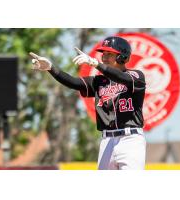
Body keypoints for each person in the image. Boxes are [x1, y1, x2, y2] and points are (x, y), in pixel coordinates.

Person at [29, 36, 146, 170]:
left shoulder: (136, 76)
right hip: (107, 141)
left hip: (130, 140)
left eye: (109, 54)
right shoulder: (98, 81)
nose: (104, 57)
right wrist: (51, 68)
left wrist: (96, 64)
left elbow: (120, 77)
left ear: (122, 57)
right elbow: (73, 82)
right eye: (103, 54)